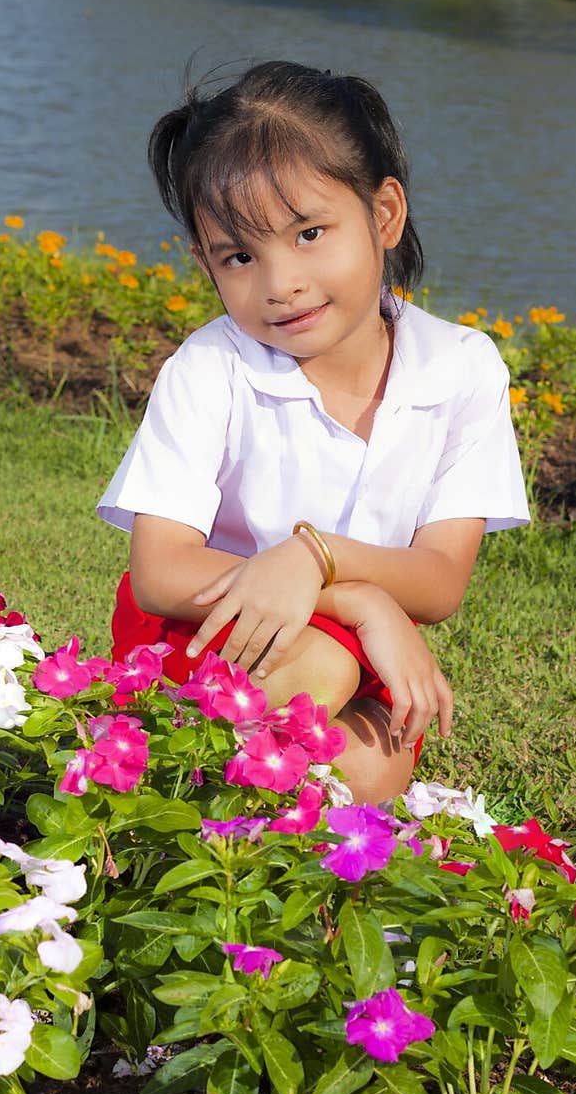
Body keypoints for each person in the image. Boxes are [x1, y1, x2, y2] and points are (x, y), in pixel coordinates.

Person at [96, 59, 529, 804]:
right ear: (205, 263)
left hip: (359, 656)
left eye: (310, 233)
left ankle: (223, 815)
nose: (279, 283)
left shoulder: (461, 368)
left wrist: (314, 560)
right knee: (322, 670)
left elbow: (440, 580)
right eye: (240, 256)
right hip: (197, 634)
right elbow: (159, 575)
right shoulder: (209, 369)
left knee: (376, 763)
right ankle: (149, 789)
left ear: (384, 213)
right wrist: (354, 597)